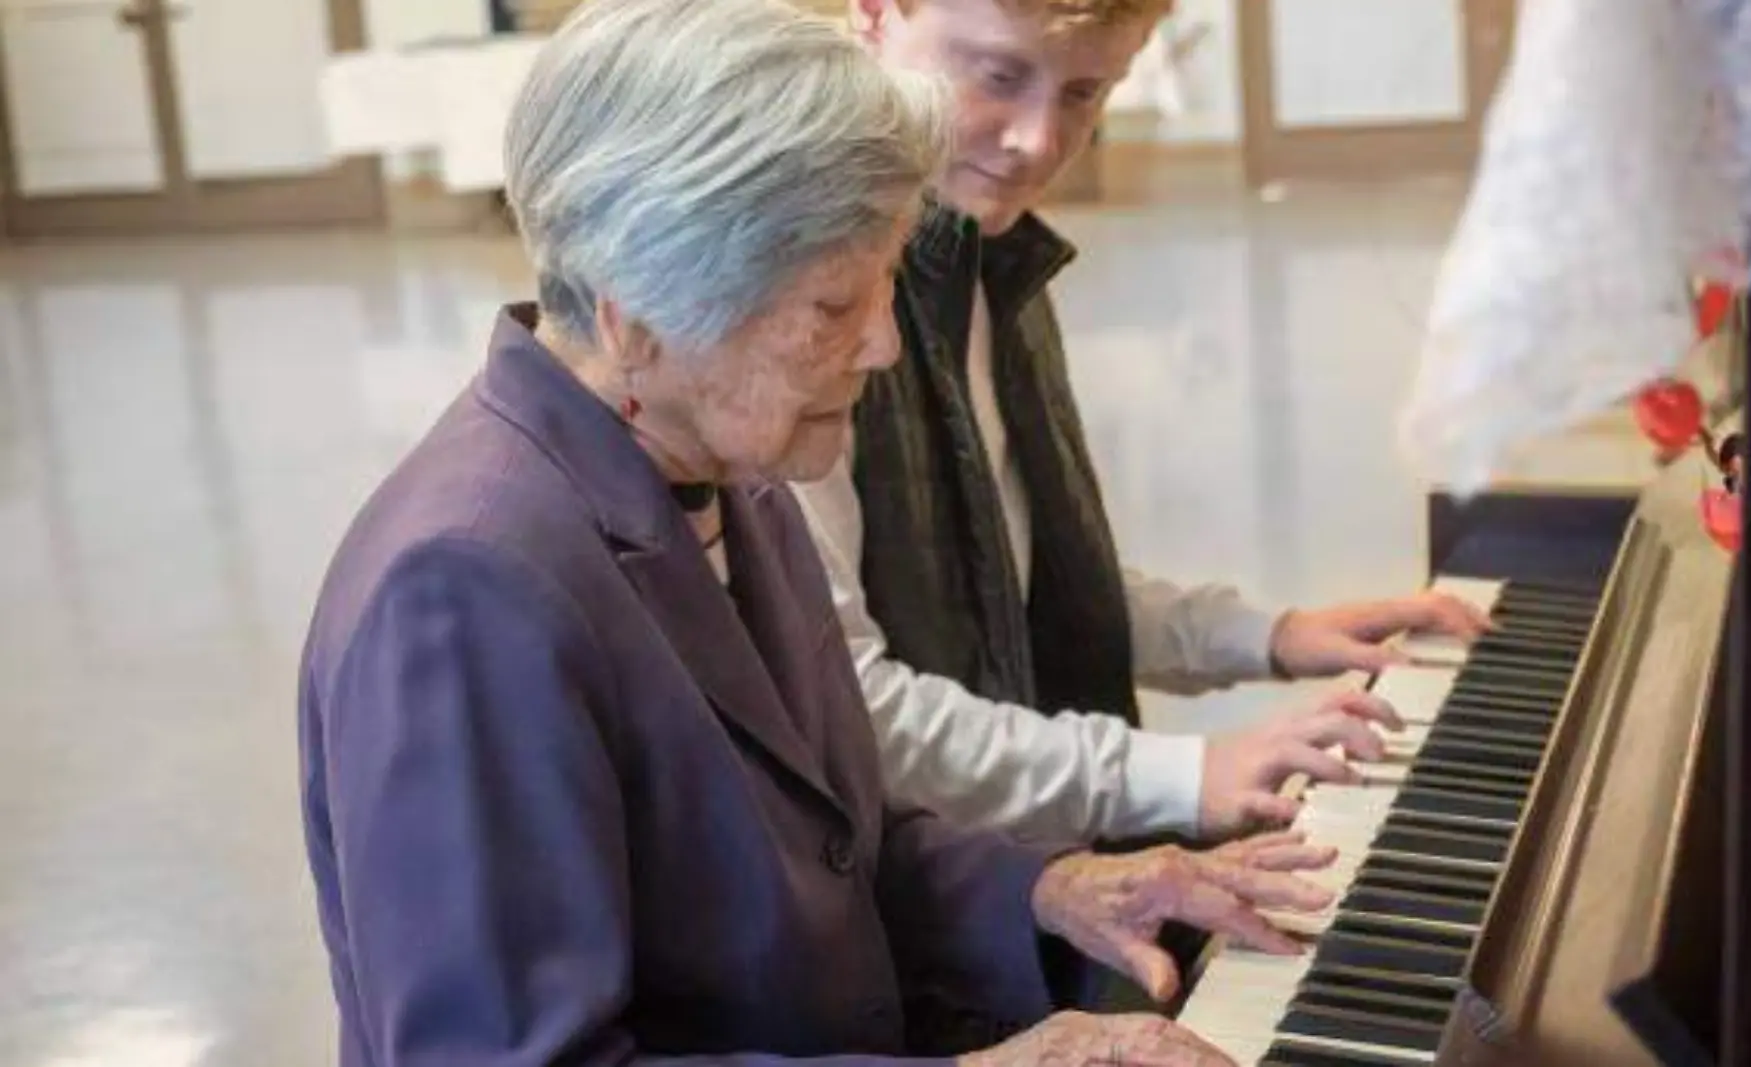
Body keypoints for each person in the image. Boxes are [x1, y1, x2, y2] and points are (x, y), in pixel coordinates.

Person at [297, 1, 1332, 1064]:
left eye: (884, 285)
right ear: (636, 314)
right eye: (833, 306)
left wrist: (1050, 886)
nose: (883, 344)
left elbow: (834, 845)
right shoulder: (467, 587)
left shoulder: (730, 471)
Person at [793, 0, 1491, 847]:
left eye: (1085, 93)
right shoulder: (804, 297)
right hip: (913, 901)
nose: (1038, 143)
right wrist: (1181, 774)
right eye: (999, 77)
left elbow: (1028, 587)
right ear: (874, 12)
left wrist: (1267, 635)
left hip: (1020, 853)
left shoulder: (987, 254)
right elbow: (851, 708)